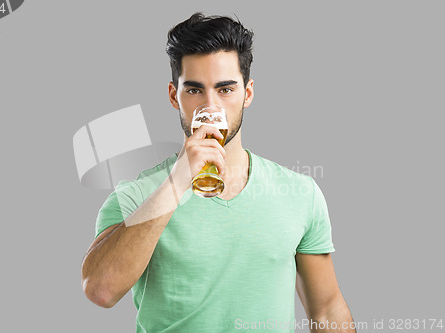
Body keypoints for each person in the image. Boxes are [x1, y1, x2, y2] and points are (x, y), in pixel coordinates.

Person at [81, 12, 356, 332]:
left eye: (225, 90)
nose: (210, 107)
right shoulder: (136, 194)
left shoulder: (299, 192)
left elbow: (326, 309)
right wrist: (178, 180)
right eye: (194, 90)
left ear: (247, 93)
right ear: (174, 96)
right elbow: (100, 291)